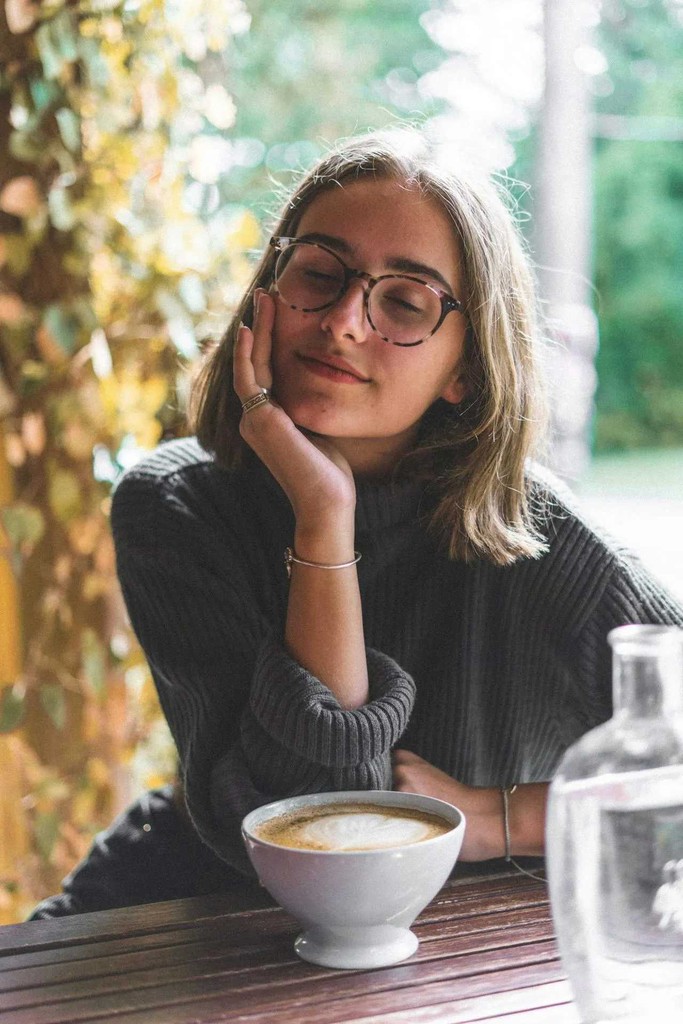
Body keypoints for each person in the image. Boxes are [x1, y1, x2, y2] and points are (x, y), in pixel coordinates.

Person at [29, 128, 683, 919]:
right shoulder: (176, 505)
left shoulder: (536, 537)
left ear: (466, 368)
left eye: (404, 302)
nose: (343, 320)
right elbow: (311, 821)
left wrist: (492, 817)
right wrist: (323, 519)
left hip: (440, 955)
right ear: (268, 286)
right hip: (181, 913)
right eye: (319, 273)